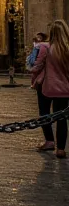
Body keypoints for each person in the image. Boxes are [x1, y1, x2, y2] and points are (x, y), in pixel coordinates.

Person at [31, 20, 69, 158]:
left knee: (44, 113)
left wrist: (34, 77)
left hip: (47, 87)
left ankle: (49, 141)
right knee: (62, 118)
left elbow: (37, 66)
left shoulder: (46, 48)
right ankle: (61, 149)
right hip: (64, 89)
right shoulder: (67, 49)